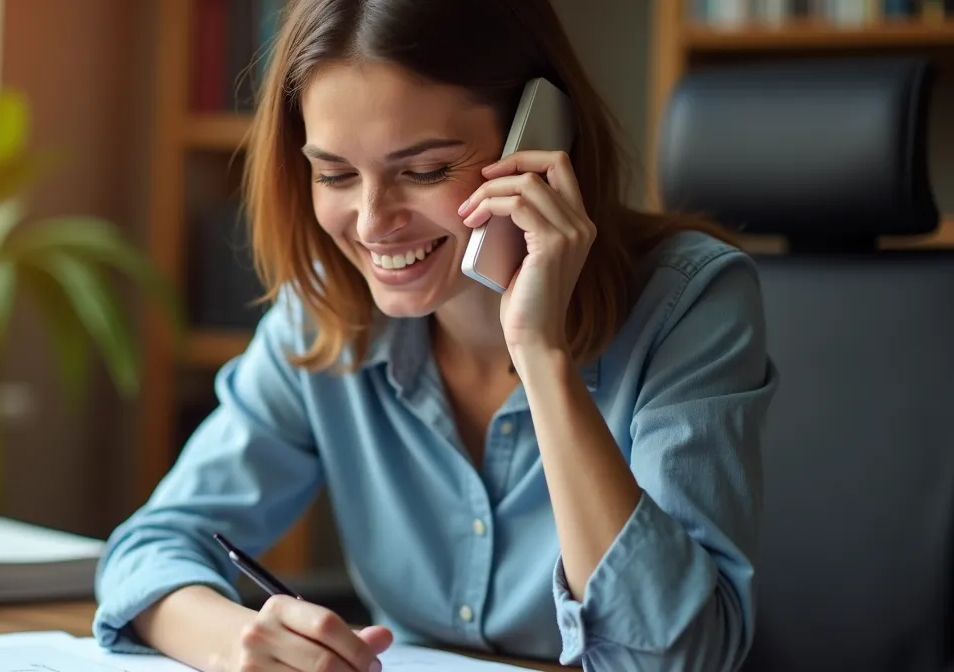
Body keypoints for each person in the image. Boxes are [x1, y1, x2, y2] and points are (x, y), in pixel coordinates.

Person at [93, 0, 778, 670]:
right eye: (335, 174)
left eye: (423, 171)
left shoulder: (688, 302)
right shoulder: (327, 316)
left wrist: (540, 354)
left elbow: (676, 658)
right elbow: (149, 549)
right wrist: (237, 644)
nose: (371, 223)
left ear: (540, 138)